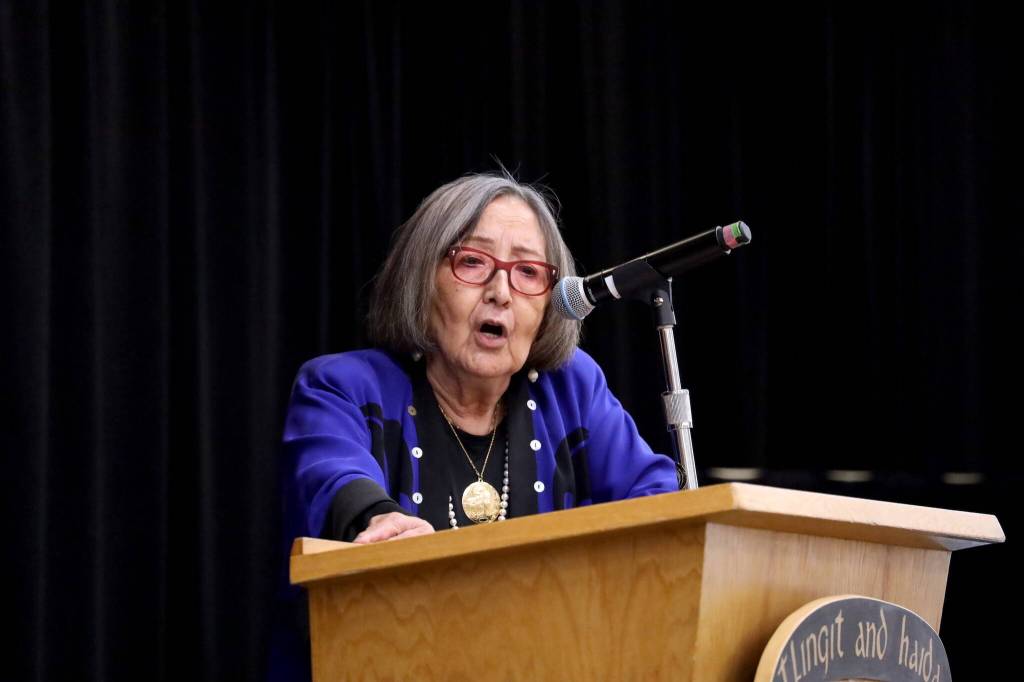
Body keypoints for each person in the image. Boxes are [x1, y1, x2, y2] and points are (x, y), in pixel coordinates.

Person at [269, 173, 678, 679]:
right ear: (423, 278)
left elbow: (659, 508)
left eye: (528, 272)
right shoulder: (344, 386)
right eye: (473, 262)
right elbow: (331, 474)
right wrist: (378, 519)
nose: (501, 292)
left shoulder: (571, 390)